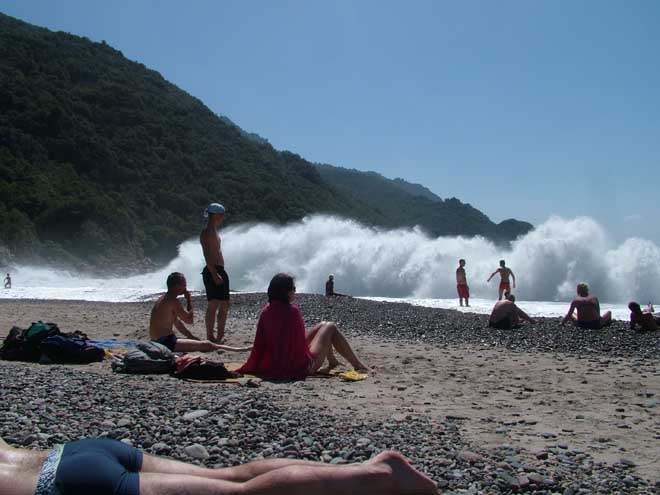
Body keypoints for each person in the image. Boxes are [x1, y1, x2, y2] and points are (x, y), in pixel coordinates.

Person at [0, 435, 437, 495]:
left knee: (240, 494)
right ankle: (370, 468)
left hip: (66, 486)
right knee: (230, 475)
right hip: (68, 453)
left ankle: (380, 475)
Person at [239, 273, 368, 380]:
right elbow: (299, 343)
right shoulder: (291, 311)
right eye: (293, 289)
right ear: (286, 292)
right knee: (330, 326)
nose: (295, 292)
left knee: (322, 325)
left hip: (274, 360)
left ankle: (332, 361)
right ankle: (357, 365)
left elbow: (263, 342)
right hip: (299, 366)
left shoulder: (267, 309)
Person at [149, 272, 250, 353]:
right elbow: (189, 320)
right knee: (206, 345)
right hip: (166, 342)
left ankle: (232, 348)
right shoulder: (173, 301)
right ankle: (239, 350)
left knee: (196, 341)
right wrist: (189, 300)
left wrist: (191, 336)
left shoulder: (162, 299)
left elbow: (177, 323)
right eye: (184, 285)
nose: (185, 288)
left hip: (155, 340)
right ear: (176, 286)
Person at [200, 203, 230, 343]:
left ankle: (220, 335)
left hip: (220, 269)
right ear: (216, 215)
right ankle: (210, 336)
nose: (223, 217)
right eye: (222, 214)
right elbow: (207, 254)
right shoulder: (206, 232)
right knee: (214, 303)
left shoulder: (215, 232)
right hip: (213, 270)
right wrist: (213, 273)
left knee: (225, 303)